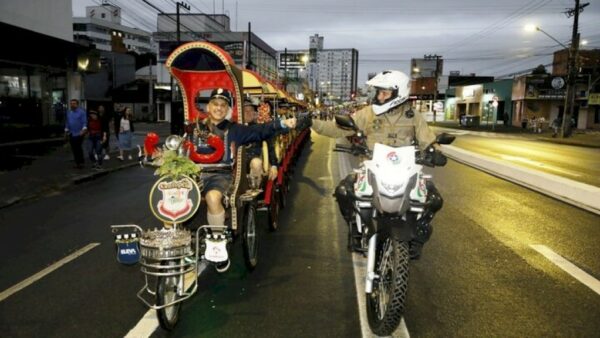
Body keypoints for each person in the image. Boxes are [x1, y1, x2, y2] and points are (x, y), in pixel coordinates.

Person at [306, 70, 445, 259]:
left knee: (434, 199)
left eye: (384, 93)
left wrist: (436, 152)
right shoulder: (368, 114)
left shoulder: (414, 117)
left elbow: (427, 140)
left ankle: (418, 235)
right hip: (372, 167)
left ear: (398, 94)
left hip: (405, 171)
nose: (379, 96)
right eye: (379, 92)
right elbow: (337, 128)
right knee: (343, 191)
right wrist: (311, 122)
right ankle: (354, 228)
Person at [193, 88, 296, 272]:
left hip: (221, 175)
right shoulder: (196, 128)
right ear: (208, 107)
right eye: (215, 104)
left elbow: (260, 131)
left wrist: (282, 124)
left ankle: (218, 245)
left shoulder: (235, 130)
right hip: (195, 174)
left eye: (223, 105)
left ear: (228, 109)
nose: (218, 108)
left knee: (212, 198)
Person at [242, 99, 279, 188]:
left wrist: (274, 165)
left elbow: (270, 146)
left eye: (251, 110)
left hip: (253, 158)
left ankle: (255, 188)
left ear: (255, 113)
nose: (248, 112)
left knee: (256, 163)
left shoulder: (260, 128)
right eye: (245, 110)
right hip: (236, 160)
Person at [64, 99, 88, 169]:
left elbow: (84, 122)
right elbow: (67, 123)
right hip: (71, 133)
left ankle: (81, 163)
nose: (72, 105)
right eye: (71, 104)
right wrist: (65, 132)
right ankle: (77, 163)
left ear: (77, 104)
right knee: (74, 148)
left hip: (79, 133)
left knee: (78, 147)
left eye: (74, 103)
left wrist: (83, 130)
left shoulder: (81, 112)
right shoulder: (69, 112)